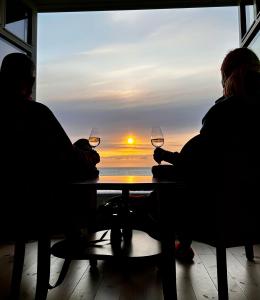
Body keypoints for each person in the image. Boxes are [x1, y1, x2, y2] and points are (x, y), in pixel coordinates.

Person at [152, 47, 260, 262]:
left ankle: (170, 251)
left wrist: (169, 160)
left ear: (225, 77)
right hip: (254, 209)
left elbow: (198, 163)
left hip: (222, 214)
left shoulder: (224, 113)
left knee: (159, 198)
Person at [0, 52, 100, 239]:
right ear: (28, 81)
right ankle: (82, 239)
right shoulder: (35, 113)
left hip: (7, 208)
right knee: (88, 165)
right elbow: (69, 160)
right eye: (32, 80)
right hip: (39, 210)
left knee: (81, 147)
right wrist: (88, 156)